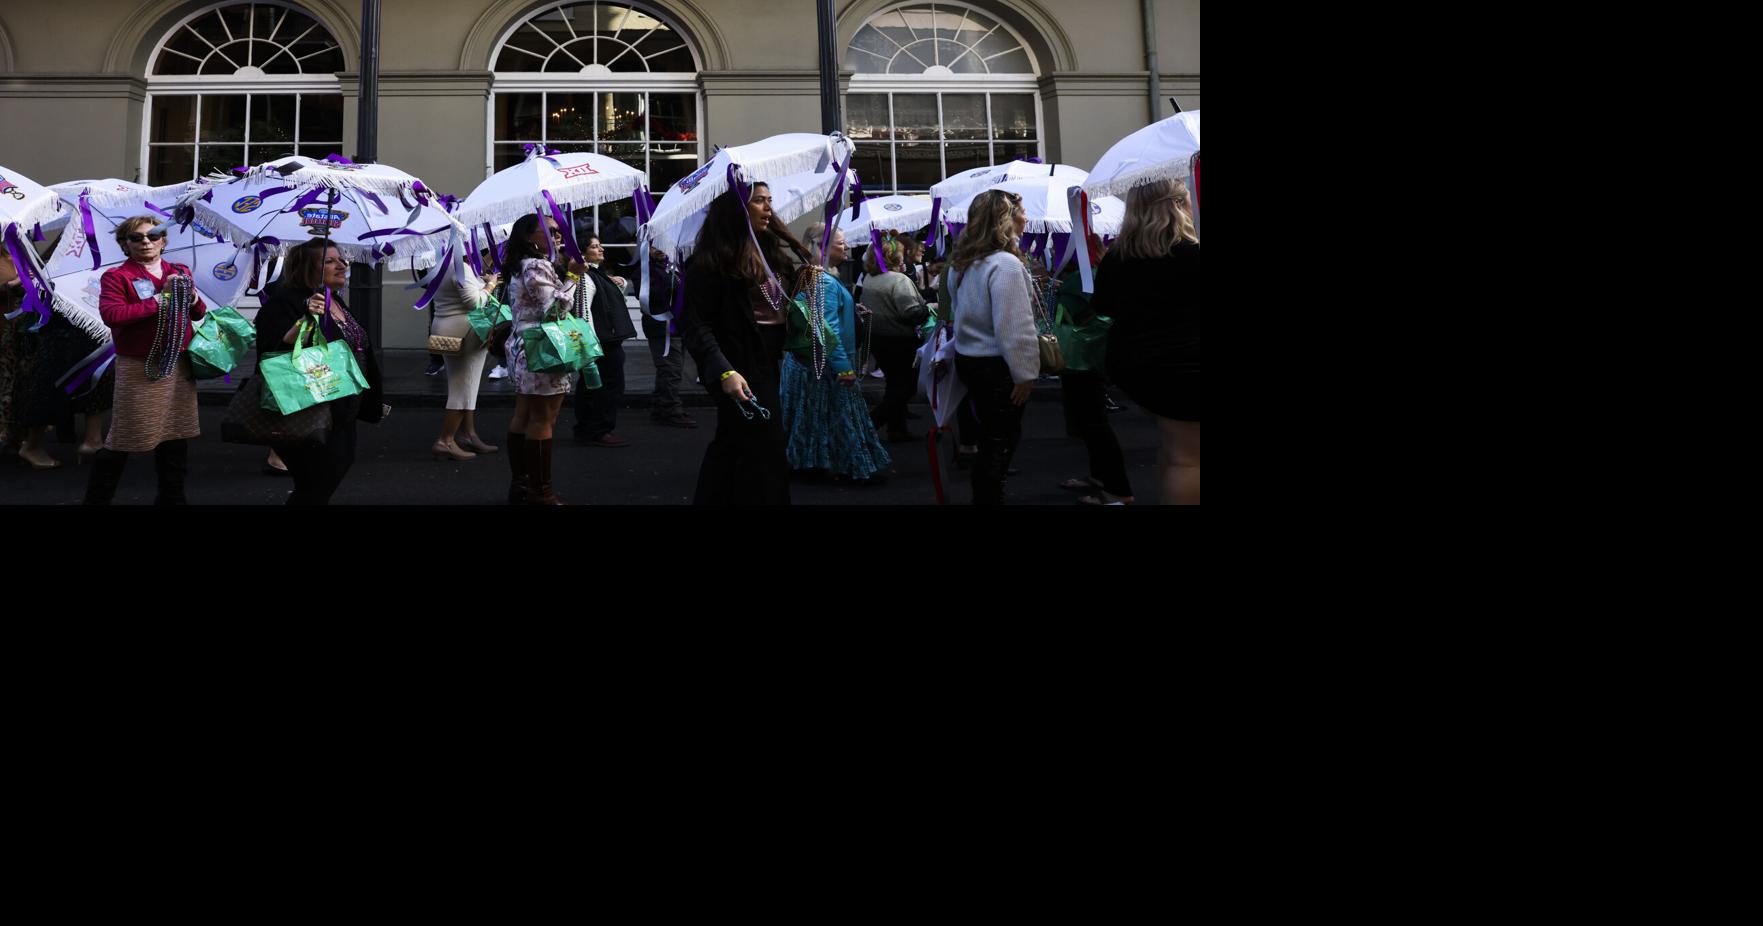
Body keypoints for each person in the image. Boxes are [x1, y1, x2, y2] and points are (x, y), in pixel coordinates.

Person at [678, 180, 808, 505]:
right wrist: (725, 372)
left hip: (769, 359)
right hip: (740, 366)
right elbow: (696, 326)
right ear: (738, 207)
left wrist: (804, 282)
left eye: (769, 200)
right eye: (759, 201)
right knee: (765, 446)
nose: (768, 208)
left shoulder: (769, 255)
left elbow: (777, 306)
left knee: (734, 444)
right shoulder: (710, 264)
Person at [1089, 178, 1199, 504]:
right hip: (1185, 368)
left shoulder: (1118, 256)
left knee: (1174, 447)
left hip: (1135, 366)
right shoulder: (1193, 254)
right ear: (1178, 206)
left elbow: (1103, 306)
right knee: (1189, 459)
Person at [82, 216, 207, 504]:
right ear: (125, 245)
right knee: (125, 435)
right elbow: (113, 316)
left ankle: (173, 498)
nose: (146, 242)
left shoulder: (180, 271)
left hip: (178, 364)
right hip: (140, 367)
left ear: (164, 241)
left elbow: (198, 314)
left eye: (153, 236)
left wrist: (191, 298)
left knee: (176, 433)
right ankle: (97, 500)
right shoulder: (117, 276)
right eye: (136, 238)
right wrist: (159, 301)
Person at [252, 238, 386, 506]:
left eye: (342, 259)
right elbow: (271, 351)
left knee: (330, 476)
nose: (342, 265)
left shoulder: (333, 299)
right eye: (329, 260)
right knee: (315, 483)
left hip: (342, 406)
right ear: (305, 267)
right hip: (308, 408)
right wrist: (305, 318)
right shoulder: (285, 303)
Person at [947, 189, 1039, 505]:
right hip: (997, 364)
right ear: (1006, 220)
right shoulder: (1004, 265)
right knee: (1000, 442)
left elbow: (958, 312)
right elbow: (1014, 328)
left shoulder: (963, 263)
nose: (1026, 217)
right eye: (1021, 211)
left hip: (970, 360)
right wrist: (1025, 373)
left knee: (990, 438)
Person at [780, 223, 890, 482]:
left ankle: (809, 464)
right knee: (841, 418)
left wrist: (851, 311)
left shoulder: (812, 275)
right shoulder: (822, 280)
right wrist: (844, 367)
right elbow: (826, 329)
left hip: (808, 364)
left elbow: (821, 319)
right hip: (825, 364)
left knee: (813, 417)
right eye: (840, 243)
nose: (847, 247)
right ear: (822, 246)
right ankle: (849, 466)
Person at [502, 213, 581, 505]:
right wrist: (573, 276)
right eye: (550, 230)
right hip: (542, 349)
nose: (558, 235)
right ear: (528, 236)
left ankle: (522, 486)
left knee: (524, 414)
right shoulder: (536, 265)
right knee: (543, 418)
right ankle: (541, 492)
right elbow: (554, 310)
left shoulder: (520, 265)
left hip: (525, 347)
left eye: (559, 230)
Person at [1054, 237, 1134, 505]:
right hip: (1094, 357)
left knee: (1094, 423)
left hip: (1081, 359)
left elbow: (1070, 309)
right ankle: (1101, 478)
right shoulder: (1100, 274)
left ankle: (1116, 488)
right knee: (1092, 422)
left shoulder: (1080, 280)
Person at [427, 250, 501, 461]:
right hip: (465, 330)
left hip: (447, 326)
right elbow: (474, 302)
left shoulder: (443, 263)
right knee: (462, 388)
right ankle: (445, 441)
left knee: (467, 385)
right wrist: (491, 284)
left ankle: (468, 434)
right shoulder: (461, 268)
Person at [858, 233, 930, 442]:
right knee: (904, 388)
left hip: (878, 339)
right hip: (900, 340)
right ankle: (869, 426)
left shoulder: (871, 278)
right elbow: (911, 312)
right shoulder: (899, 280)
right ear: (896, 257)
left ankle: (897, 430)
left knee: (893, 384)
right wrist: (927, 310)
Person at [571, 234, 638, 448]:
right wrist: (590, 345)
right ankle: (600, 429)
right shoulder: (585, 276)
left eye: (600, 246)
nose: (601, 250)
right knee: (608, 386)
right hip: (601, 343)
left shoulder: (596, 274)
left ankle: (586, 428)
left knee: (591, 385)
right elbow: (583, 311)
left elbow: (606, 300)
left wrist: (620, 281)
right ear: (583, 253)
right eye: (594, 247)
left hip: (603, 340)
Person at [641, 246, 696, 429]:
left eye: (664, 244)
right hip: (661, 326)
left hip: (677, 326)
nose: (660, 249)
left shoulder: (672, 267)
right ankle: (671, 409)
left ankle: (660, 406)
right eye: (655, 246)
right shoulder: (646, 269)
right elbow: (653, 295)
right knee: (670, 369)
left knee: (671, 368)